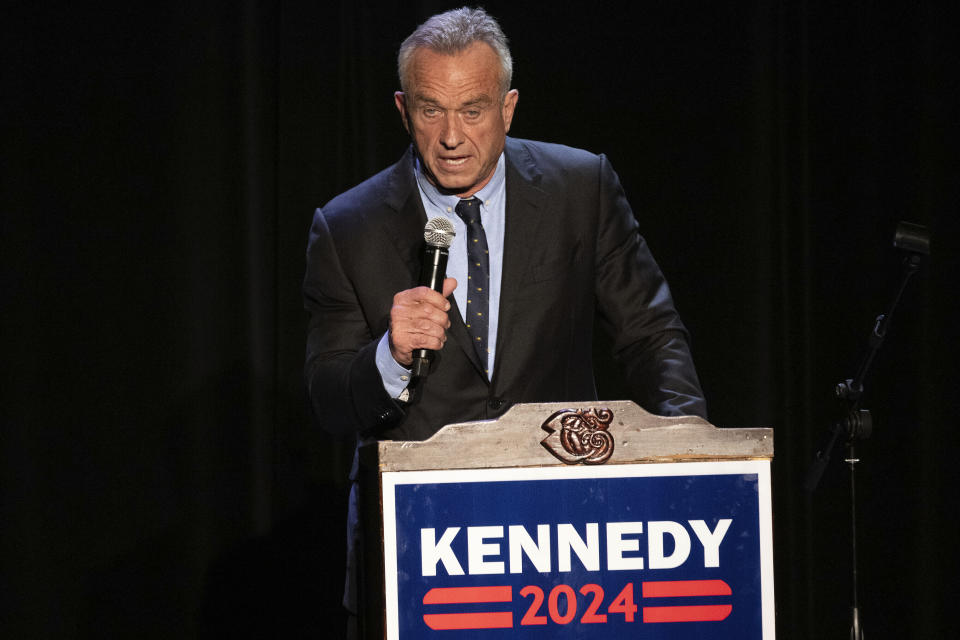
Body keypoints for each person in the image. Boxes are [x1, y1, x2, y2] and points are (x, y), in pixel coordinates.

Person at [302, 7, 706, 635]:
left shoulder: (581, 189)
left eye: (473, 110)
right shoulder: (347, 227)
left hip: (565, 544)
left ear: (508, 108)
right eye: (432, 110)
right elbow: (329, 400)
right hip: (422, 559)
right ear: (403, 109)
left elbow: (652, 335)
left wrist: (693, 461)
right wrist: (388, 357)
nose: (452, 137)